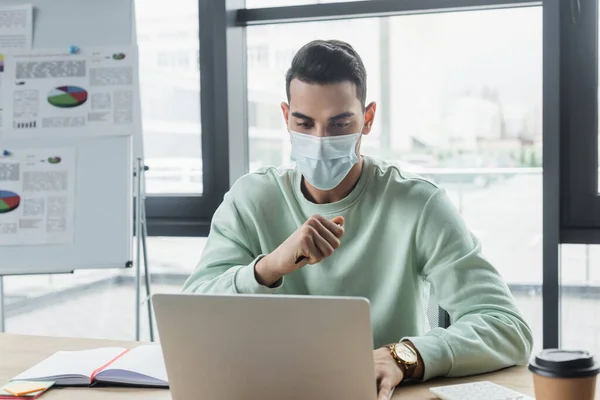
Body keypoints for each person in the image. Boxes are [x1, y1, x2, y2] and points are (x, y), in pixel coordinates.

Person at [183, 39, 533, 399]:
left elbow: (506, 327)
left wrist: (404, 356)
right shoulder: (250, 199)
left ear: (367, 119)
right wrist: (269, 267)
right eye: (304, 123)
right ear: (286, 117)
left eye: (338, 124)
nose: (320, 140)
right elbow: (189, 318)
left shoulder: (417, 204)